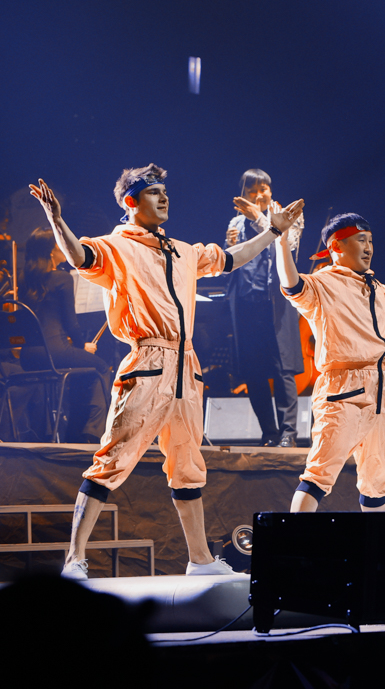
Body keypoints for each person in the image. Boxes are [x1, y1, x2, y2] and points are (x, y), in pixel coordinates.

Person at [30, 167, 303, 579]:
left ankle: (200, 560)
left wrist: (274, 231)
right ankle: (74, 559)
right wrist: (56, 219)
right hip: (148, 363)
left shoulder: (182, 250)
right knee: (112, 459)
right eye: (153, 192)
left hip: (185, 368)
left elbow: (232, 258)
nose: (164, 198)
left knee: (188, 465)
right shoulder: (118, 246)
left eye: (164, 192)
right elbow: (79, 256)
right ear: (131, 202)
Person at [276, 213, 385, 513]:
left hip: (380, 387)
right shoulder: (323, 283)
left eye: (370, 241)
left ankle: (375, 543)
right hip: (343, 389)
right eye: (361, 240)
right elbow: (292, 285)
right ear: (336, 246)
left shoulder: (375, 287)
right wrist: (281, 241)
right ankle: (292, 541)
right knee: (319, 474)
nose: (368, 247)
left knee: (377, 480)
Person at [224, 168, 305, 447]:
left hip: (276, 303)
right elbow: (230, 263)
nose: (259, 195)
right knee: (254, 371)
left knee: (283, 368)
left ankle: (289, 434)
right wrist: (228, 246)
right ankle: (269, 433)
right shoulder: (236, 222)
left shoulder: (287, 215)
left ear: (271, 191)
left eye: (263, 189)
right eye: (252, 191)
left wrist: (259, 218)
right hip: (246, 304)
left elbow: (289, 245)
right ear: (243, 195)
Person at [19, 228, 111, 442]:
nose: (64, 247)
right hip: (55, 353)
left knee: (81, 367)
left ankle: (73, 433)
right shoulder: (62, 278)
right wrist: (82, 346)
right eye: (59, 244)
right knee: (101, 367)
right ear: (51, 251)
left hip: (29, 356)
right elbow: (71, 324)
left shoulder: (24, 279)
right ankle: (91, 432)